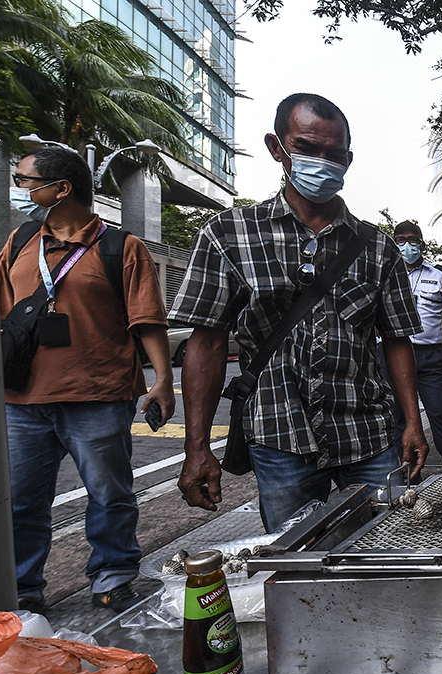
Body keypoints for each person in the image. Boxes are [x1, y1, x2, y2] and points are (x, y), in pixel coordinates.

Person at [170, 93, 427, 535]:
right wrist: (197, 447)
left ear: (348, 160)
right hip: (278, 433)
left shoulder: (377, 247)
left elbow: (397, 339)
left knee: (382, 553)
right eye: (307, 149)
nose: (322, 162)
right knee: (297, 560)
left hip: (366, 433)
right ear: (278, 147)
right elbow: (207, 344)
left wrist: (413, 424)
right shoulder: (228, 234)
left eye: (334, 154)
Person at [0, 146, 174, 611]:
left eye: (25, 180)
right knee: (20, 504)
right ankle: (23, 590)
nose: (20, 189)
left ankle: (112, 577)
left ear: (61, 188)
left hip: (98, 395)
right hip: (22, 400)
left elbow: (148, 321)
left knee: (110, 495)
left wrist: (162, 381)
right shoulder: (18, 244)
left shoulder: (121, 247)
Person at [392, 220, 442, 473]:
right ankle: (408, 474)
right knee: (397, 418)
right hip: (392, 357)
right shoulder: (387, 275)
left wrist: (437, 340)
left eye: (412, 240)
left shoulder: (440, 277)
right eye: (401, 240)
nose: (407, 245)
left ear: (421, 244)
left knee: (441, 415)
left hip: (429, 357)